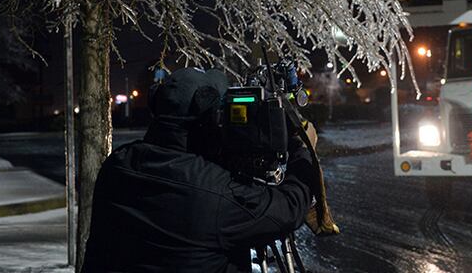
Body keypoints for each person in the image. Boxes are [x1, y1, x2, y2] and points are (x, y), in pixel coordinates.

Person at [82, 67, 318, 272]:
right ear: (210, 122)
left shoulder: (117, 165)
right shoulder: (213, 193)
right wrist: (302, 151)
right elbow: (289, 209)